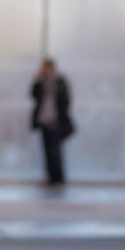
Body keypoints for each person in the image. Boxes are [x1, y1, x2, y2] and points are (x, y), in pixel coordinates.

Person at [30, 57, 74, 185]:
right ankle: (50, 177)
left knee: (56, 151)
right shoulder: (41, 82)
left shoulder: (60, 81)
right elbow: (33, 95)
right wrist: (37, 80)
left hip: (56, 121)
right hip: (44, 121)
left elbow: (66, 100)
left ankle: (58, 177)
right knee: (47, 151)